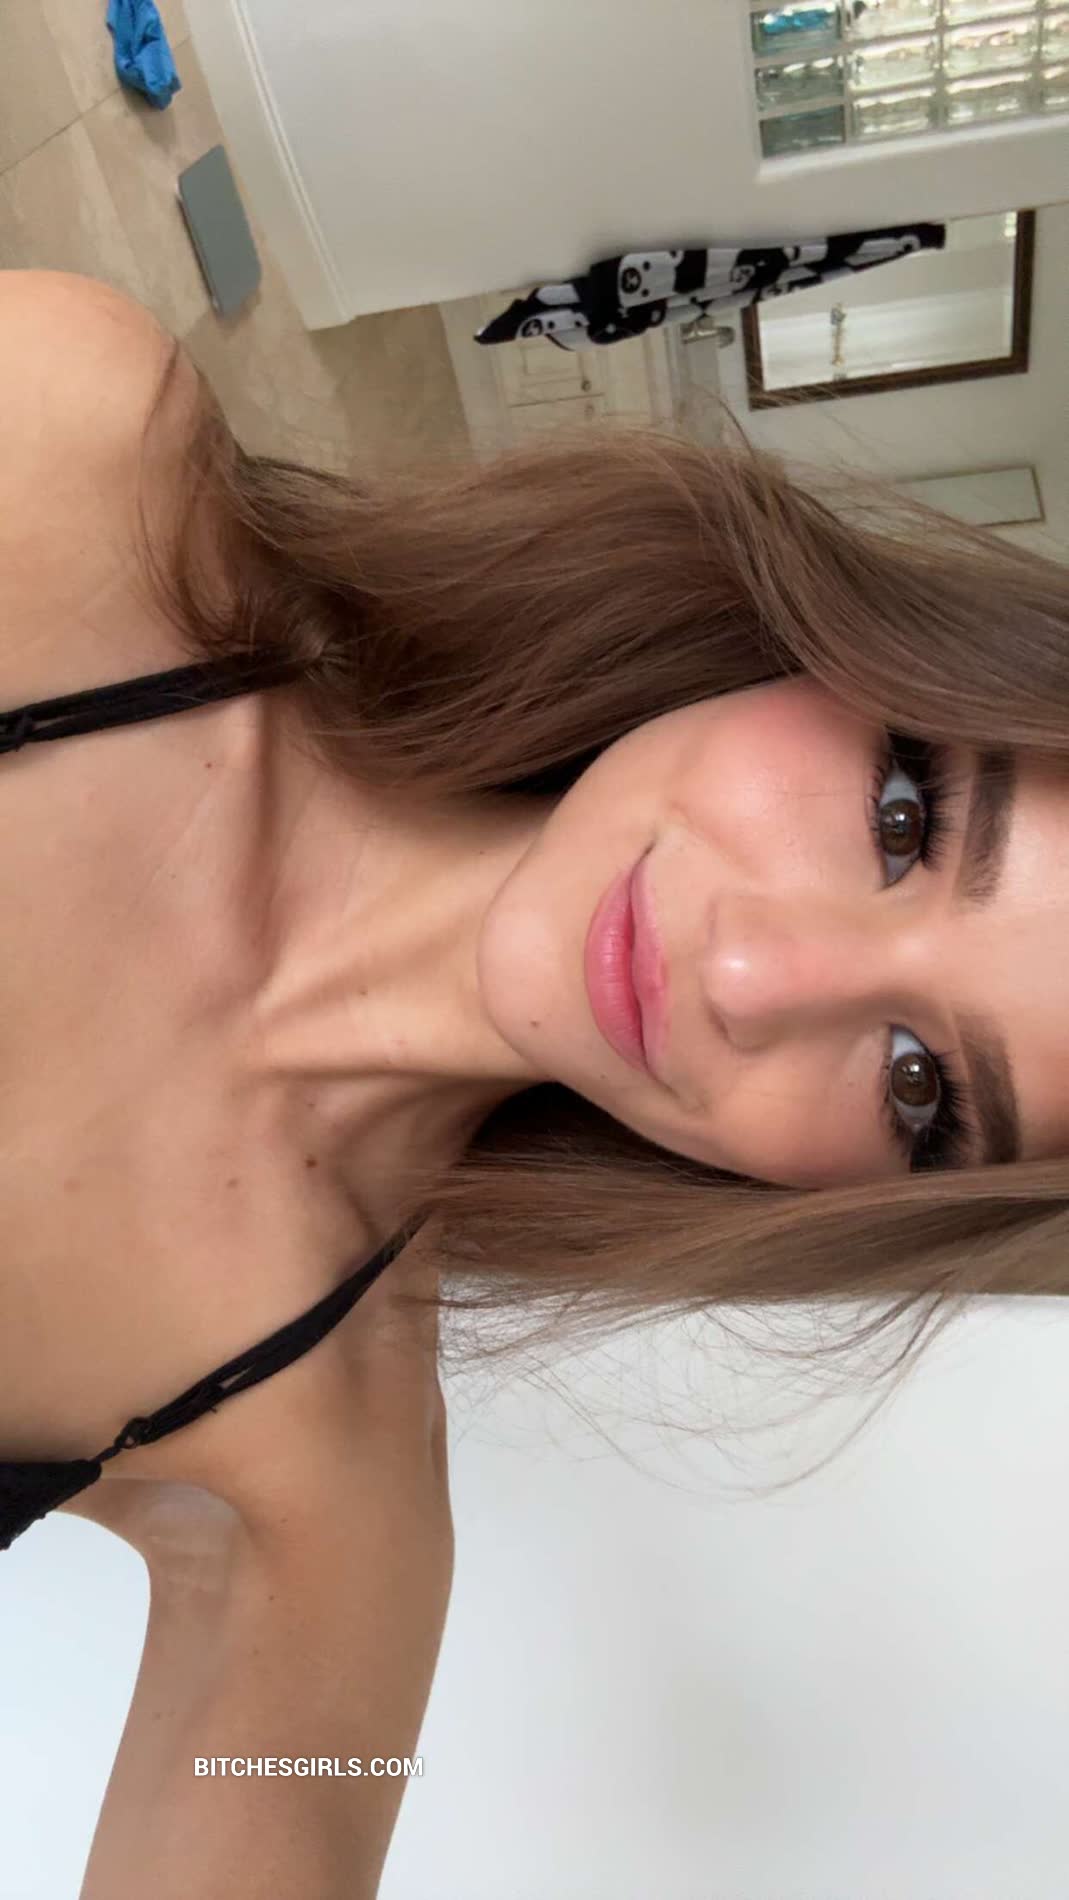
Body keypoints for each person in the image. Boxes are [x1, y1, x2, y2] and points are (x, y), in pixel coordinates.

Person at [1, 268, 1067, 1895]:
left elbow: (292, 1798)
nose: (749, 977)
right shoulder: (74, 453)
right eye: (903, 820)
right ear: (846, 652)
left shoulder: (321, 1496)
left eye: (919, 1086)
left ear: (857, 1199)